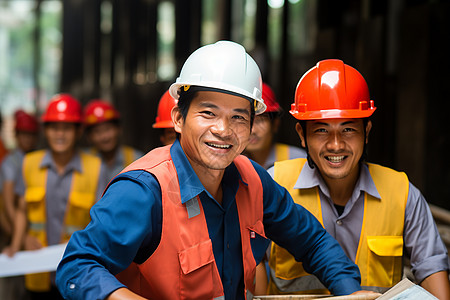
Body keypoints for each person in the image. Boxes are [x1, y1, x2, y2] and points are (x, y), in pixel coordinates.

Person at [55, 41, 374, 300]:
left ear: (252, 129)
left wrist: (352, 292)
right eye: (208, 112)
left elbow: (312, 241)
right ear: (178, 119)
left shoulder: (254, 181)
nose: (223, 129)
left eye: (238, 117)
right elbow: (77, 266)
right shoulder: (144, 191)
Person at [266, 59, 450, 298]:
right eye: (321, 130)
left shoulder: (402, 193)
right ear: (302, 135)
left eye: (348, 129)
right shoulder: (275, 184)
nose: (335, 145)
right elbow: (253, 266)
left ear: (367, 132)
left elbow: (431, 268)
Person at [3, 94, 109, 300]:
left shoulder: (96, 168)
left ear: (78, 131)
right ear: (45, 131)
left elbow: (101, 222)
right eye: (54, 128)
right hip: (37, 270)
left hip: (77, 269)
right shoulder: (29, 164)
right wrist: (19, 241)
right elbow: (21, 210)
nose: (60, 134)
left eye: (67, 128)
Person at [244, 82, 306, 169]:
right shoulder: (227, 163)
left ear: (275, 124)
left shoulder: (298, 160)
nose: (253, 130)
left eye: (259, 121)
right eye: (245, 121)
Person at [83, 99, 144, 182]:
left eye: (108, 129)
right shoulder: (82, 161)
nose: (104, 137)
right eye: (97, 132)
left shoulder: (136, 159)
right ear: (89, 137)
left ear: (119, 129)